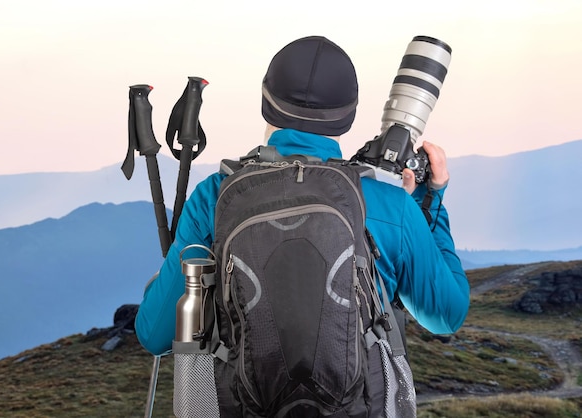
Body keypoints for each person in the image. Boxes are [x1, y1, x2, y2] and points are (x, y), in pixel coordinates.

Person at [135, 35, 469, 361]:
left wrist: (161, 286)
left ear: (266, 102)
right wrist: (431, 200)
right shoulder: (391, 205)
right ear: (348, 115)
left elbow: (156, 335)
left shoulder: (215, 195)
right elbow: (445, 317)